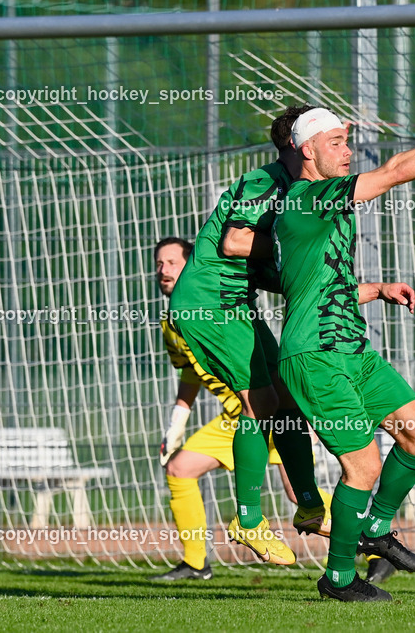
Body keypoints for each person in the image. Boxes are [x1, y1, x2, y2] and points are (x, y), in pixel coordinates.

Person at [272, 106, 415, 601]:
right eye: (338, 142)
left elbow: (321, 286)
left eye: (347, 141)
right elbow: (393, 172)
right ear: (307, 149)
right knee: (362, 466)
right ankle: (339, 578)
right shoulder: (306, 198)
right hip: (315, 355)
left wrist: (377, 289)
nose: (347, 151)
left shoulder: (323, 205)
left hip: (353, 351)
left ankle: (376, 528)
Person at [168, 106, 342, 563]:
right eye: (331, 140)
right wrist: (297, 248)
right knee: (260, 403)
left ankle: (308, 504)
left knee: (286, 399)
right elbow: (235, 243)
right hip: (209, 303)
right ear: (299, 144)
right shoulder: (265, 182)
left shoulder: (304, 191)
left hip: (236, 305)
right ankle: (247, 521)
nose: (341, 150)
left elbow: (279, 267)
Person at [150, 236, 319, 579]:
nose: (164, 270)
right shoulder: (173, 322)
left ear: (192, 267)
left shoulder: (219, 306)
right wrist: (175, 425)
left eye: (172, 262)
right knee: (179, 470)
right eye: (159, 264)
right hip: (234, 419)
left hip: (262, 412)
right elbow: (189, 373)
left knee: (300, 495)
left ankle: (373, 544)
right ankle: (196, 562)